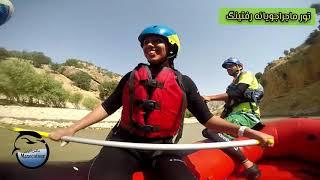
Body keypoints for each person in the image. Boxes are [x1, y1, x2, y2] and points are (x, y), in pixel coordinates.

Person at [49, 26, 273, 180]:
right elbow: (107, 107)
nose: (150, 45)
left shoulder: (184, 82)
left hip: (163, 148)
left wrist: (248, 132)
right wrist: (72, 128)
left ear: (171, 47)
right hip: (124, 144)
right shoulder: (130, 77)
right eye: (146, 43)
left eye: (156, 41)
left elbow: (209, 120)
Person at [202, 57, 265, 179]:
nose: (228, 68)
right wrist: (218, 122)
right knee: (208, 130)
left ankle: (248, 164)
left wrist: (209, 97)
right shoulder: (231, 86)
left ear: (239, 66)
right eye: (226, 67)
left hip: (248, 115)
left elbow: (237, 93)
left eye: (231, 65)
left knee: (210, 131)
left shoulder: (247, 75)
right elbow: (227, 107)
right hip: (235, 115)